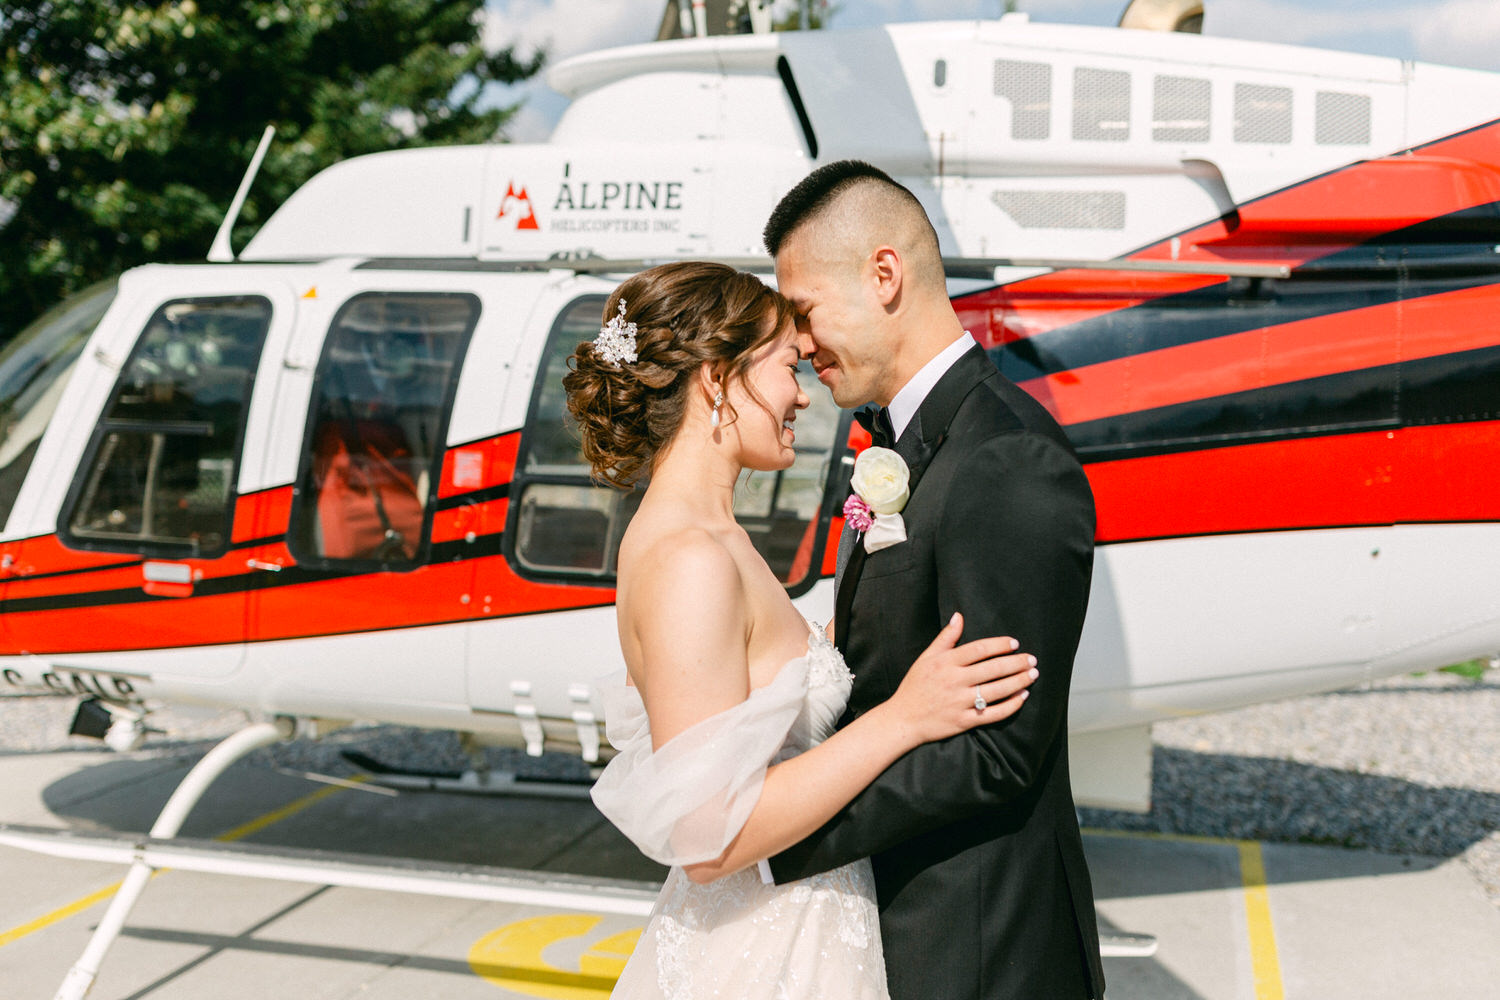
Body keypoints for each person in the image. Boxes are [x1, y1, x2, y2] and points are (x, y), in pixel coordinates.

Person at [565, 261, 1041, 998]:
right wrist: (906, 720)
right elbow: (705, 835)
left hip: (795, 929)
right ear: (717, 380)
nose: (802, 392)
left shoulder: (705, 536)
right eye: (788, 365)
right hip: (764, 957)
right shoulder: (691, 556)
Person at [762, 160, 1107, 1000]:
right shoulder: (905, 443)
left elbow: (999, 748)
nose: (800, 347)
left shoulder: (1008, 459)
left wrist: (779, 825)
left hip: (979, 948)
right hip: (902, 926)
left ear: (885, 275)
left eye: (804, 312)